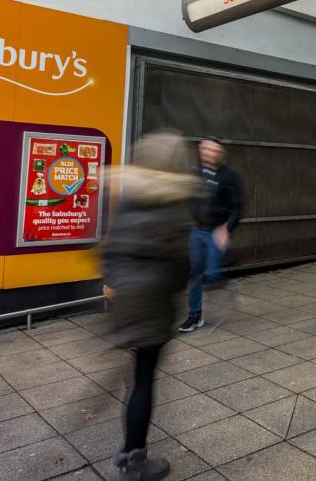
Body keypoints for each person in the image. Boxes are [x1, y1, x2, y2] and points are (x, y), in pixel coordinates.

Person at [102, 133, 198, 481]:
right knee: (143, 379)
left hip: (125, 298)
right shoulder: (173, 203)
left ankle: (129, 448)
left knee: (134, 379)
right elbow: (179, 265)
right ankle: (135, 460)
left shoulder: (128, 194)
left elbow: (109, 249)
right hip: (154, 303)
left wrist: (113, 282)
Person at [179, 137, 242, 333]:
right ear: (201, 150)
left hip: (216, 232)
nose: (210, 153)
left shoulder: (229, 176)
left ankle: (224, 283)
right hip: (196, 230)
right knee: (195, 273)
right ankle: (194, 316)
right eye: (207, 149)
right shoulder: (193, 172)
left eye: (215, 150)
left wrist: (227, 228)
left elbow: (238, 207)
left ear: (220, 153)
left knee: (211, 274)